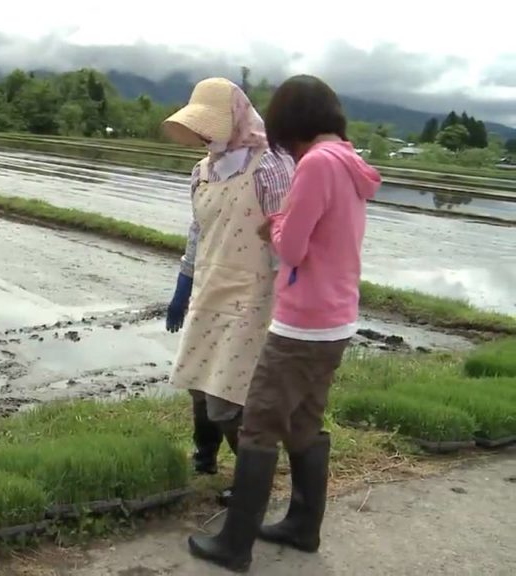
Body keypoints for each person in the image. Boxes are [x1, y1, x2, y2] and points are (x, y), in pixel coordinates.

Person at [187, 74, 381, 572]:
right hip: (336, 320)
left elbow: (291, 247)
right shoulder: (350, 161)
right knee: (303, 422)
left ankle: (235, 544)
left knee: (258, 427)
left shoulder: (316, 164)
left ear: (289, 125)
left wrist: (271, 225)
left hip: (302, 323)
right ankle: (302, 525)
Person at [161, 78, 293, 507]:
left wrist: (288, 301)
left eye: (210, 126)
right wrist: (183, 284)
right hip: (209, 286)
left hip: (253, 295)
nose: (203, 135)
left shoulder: (270, 166)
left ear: (235, 119)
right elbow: (198, 232)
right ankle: (204, 458)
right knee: (199, 380)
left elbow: (284, 236)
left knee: (228, 394)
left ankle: (254, 480)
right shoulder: (202, 171)